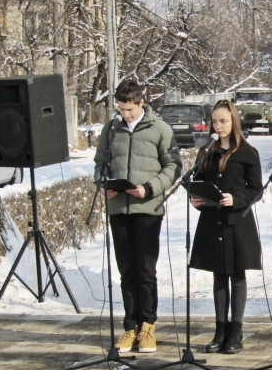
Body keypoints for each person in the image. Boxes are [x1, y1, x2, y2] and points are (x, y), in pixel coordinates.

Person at [94, 80, 182, 353]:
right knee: (126, 271)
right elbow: (100, 164)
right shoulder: (111, 129)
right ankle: (130, 328)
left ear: (141, 103)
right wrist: (104, 183)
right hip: (119, 209)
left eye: (130, 109)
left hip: (148, 210)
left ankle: (147, 328)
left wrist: (150, 188)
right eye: (121, 109)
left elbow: (174, 166)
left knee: (145, 271)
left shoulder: (160, 128)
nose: (125, 114)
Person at [189, 100, 263, 354]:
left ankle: (236, 332)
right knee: (218, 275)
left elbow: (256, 190)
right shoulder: (207, 151)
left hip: (237, 222)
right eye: (214, 121)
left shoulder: (247, 153)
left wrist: (236, 199)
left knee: (238, 275)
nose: (218, 126)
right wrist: (195, 199)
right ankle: (220, 331)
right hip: (212, 222)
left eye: (223, 121)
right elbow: (197, 181)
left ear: (233, 121)